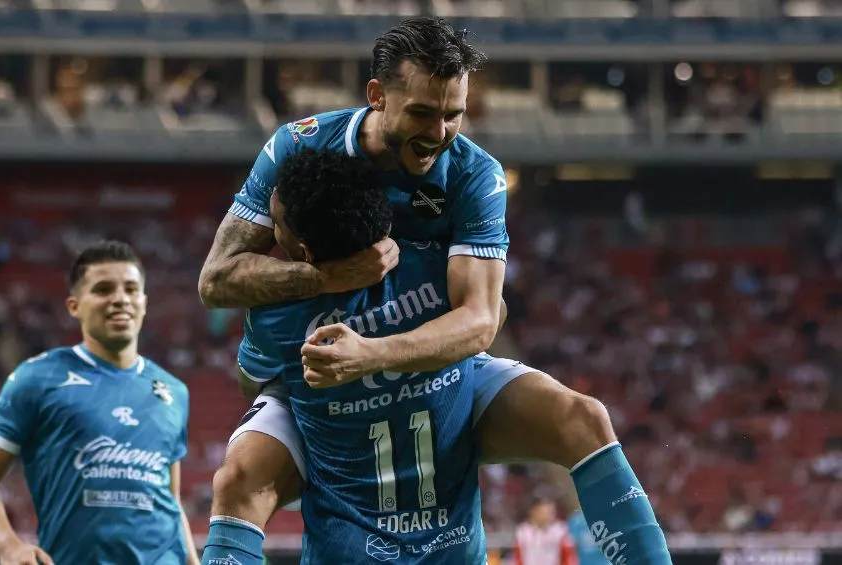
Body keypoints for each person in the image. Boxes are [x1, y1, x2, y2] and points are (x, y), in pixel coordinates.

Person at [197, 16, 671, 565]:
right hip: (317, 375)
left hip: (433, 361)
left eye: (454, 114)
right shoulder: (297, 148)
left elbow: (480, 321)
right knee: (237, 479)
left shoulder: (473, 175)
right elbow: (216, 280)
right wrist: (327, 279)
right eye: (422, 112)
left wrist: (371, 354)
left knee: (582, 418)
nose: (439, 132)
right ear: (376, 95)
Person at [211, 148, 497, 563]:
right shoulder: (431, 266)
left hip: (348, 526)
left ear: (305, 251)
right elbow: (494, 313)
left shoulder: (275, 314)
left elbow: (250, 380)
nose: (271, 234)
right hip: (445, 500)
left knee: (238, 480)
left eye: (276, 225)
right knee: (580, 417)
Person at [0, 241, 200, 565]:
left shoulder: (174, 391)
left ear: (144, 302)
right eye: (103, 289)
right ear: (74, 305)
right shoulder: (38, 378)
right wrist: (8, 545)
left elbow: (170, 500)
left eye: (131, 289)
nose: (120, 299)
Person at [513, 499, 578, 565]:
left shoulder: (560, 531)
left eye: (550, 512)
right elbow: (518, 557)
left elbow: (568, 556)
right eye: (544, 512)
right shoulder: (523, 532)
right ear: (534, 511)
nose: (548, 515)